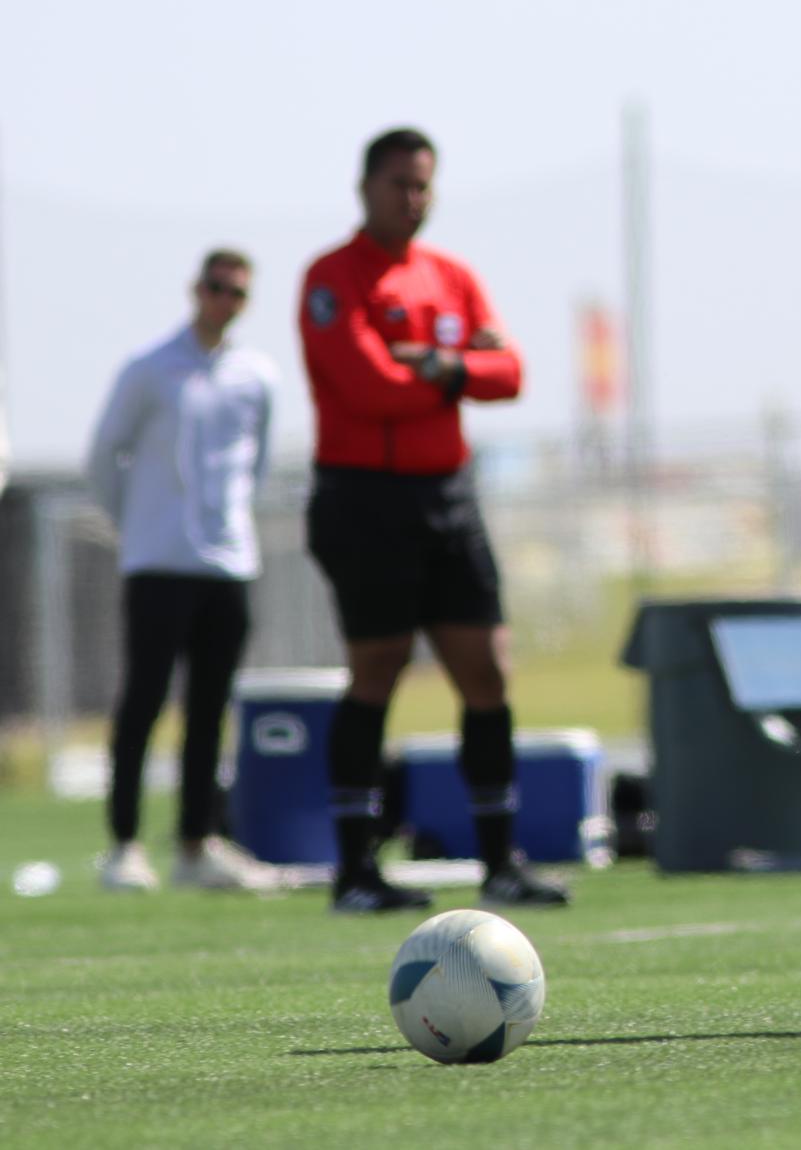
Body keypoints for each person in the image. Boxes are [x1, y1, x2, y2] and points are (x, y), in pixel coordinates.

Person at [300, 127, 567, 912]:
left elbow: (510, 373)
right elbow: (368, 386)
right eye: (398, 185)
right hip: (364, 498)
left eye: (422, 186)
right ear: (365, 188)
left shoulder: (450, 277)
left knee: (485, 670)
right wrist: (460, 373)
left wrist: (442, 364)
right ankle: (354, 871)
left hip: (447, 496)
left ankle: (500, 864)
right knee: (376, 670)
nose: (412, 200)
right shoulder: (331, 277)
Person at [85, 249, 279, 892]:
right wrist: (136, 527)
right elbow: (104, 454)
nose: (224, 301)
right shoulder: (151, 369)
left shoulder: (256, 375)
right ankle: (124, 844)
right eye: (216, 288)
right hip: (158, 562)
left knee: (209, 707)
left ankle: (197, 843)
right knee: (143, 700)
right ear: (196, 289)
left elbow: (256, 464)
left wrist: (228, 524)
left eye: (237, 293)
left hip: (227, 565)